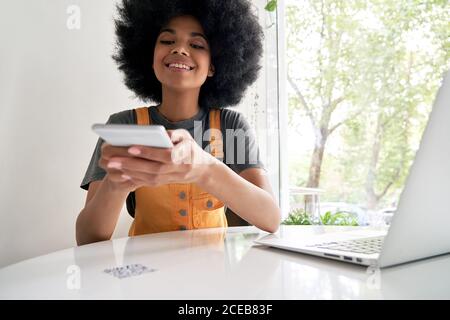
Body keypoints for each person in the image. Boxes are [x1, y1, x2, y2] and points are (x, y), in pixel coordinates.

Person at [76, 0, 281, 245]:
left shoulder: (230, 126)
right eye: (166, 41)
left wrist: (205, 168)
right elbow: (87, 239)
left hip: (214, 277)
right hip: (145, 274)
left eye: (196, 44)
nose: (180, 50)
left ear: (213, 66)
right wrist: (115, 184)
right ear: (150, 58)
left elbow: (271, 219)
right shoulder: (125, 126)